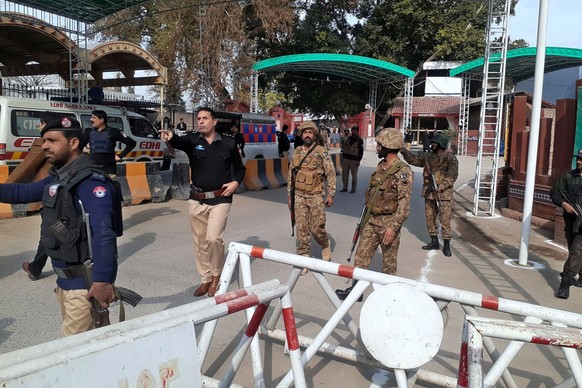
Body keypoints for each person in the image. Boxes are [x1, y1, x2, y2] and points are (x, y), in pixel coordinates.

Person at [0, 116, 121, 336]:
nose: (44, 145)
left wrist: (104, 280)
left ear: (73, 143)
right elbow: (21, 193)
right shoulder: (59, 178)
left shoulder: (90, 182)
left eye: (51, 140)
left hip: (84, 289)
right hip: (65, 285)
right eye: (44, 140)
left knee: (73, 357)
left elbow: (103, 233)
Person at [160, 107, 246, 297]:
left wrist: (235, 183)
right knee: (200, 242)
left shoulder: (229, 143)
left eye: (205, 118)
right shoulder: (193, 141)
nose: (200, 122)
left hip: (221, 199)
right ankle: (205, 278)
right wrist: (170, 135)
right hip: (197, 200)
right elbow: (177, 141)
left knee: (214, 238)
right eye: (198, 118)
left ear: (214, 121)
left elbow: (240, 169)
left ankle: (216, 276)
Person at [335, 128, 413, 300]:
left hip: (388, 223)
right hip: (371, 220)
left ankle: (389, 297)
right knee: (361, 256)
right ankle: (356, 292)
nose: (377, 147)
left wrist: (393, 227)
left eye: (379, 144)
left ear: (388, 145)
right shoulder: (381, 166)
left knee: (389, 263)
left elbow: (404, 205)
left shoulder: (403, 172)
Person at [9, 111, 59, 281]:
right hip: (61, 192)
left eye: (40, 123)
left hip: (45, 193)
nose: (38, 127)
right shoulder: (65, 141)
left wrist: (6, 188)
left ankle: (35, 268)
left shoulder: (42, 143)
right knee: (54, 229)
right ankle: (36, 267)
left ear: (44, 124)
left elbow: (24, 168)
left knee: (49, 231)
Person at [288, 121, 336, 274]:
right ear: (301, 135)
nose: (307, 135)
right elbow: (291, 175)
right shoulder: (297, 152)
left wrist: (331, 193)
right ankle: (304, 258)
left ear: (314, 135)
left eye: (310, 132)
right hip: (299, 195)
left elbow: (331, 173)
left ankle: (324, 243)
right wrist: (290, 195)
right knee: (301, 228)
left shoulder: (322, 152)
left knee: (316, 228)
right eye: (304, 132)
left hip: (316, 195)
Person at [401, 133, 459, 257]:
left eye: (435, 143)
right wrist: (403, 151)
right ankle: (434, 241)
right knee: (430, 218)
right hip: (429, 192)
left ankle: (447, 245)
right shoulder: (428, 157)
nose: (432, 145)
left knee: (445, 219)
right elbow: (413, 159)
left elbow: (452, 175)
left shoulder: (450, 158)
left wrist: (442, 186)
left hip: (444, 194)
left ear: (441, 145)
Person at [549, 149, 582, 299]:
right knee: (573, 250)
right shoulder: (569, 176)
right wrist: (563, 204)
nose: (579, 161)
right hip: (571, 221)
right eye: (578, 159)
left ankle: (565, 282)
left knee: (576, 251)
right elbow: (554, 192)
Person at [82, 110, 136, 176]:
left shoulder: (114, 131)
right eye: (91, 117)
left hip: (109, 171)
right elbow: (80, 146)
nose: (91, 120)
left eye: (94, 118)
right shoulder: (88, 131)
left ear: (101, 120)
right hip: (92, 170)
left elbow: (132, 143)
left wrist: (120, 156)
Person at [340, 125, 364, 193]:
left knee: (354, 175)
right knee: (344, 174)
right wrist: (343, 158)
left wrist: (359, 160)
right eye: (353, 130)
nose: (354, 131)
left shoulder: (360, 140)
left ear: (358, 131)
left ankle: (353, 189)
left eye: (355, 130)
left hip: (354, 160)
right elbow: (345, 147)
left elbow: (361, 151)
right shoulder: (348, 138)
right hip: (346, 158)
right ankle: (345, 187)